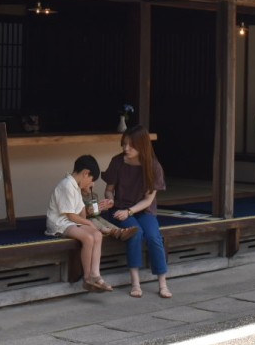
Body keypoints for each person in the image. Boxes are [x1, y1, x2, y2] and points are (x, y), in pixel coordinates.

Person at [102, 124, 172, 299]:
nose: (126, 148)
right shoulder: (117, 162)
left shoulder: (153, 166)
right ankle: (135, 283)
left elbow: (148, 200)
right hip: (120, 209)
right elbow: (109, 189)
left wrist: (130, 211)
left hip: (143, 210)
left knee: (154, 237)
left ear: (142, 145)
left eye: (131, 145)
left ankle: (163, 284)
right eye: (124, 143)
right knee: (135, 233)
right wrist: (110, 200)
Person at [45, 155, 114, 292]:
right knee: (88, 238)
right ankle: (87, 277)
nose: (91, 183)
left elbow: (81, 211)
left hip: (71, 221)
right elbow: (71, 215)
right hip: (60, 223)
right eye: (91, 180)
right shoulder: (66, 185)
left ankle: (96, 275)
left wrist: (89, 224)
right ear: (85, 173)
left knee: (97, 235)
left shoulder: (75, 185)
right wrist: (89, 224)